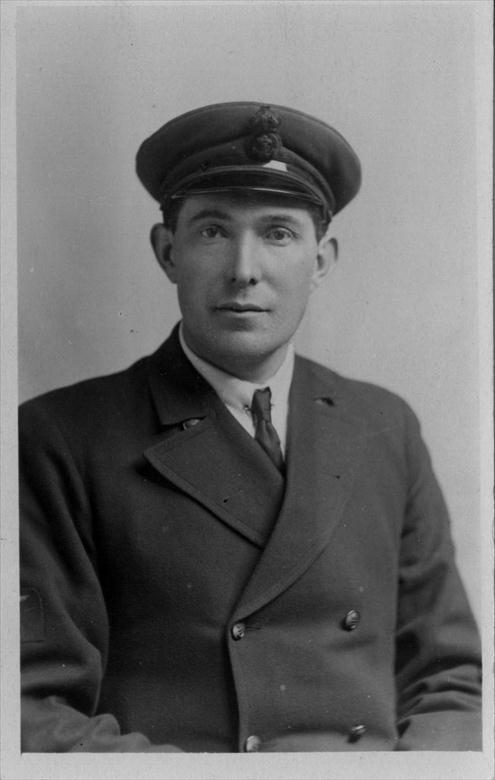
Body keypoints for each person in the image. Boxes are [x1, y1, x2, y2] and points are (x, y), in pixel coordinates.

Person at [19, 101, 481, 753]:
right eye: (213, 231)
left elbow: (449, 680)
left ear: (321, 261)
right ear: (168, 251)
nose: (243, 268)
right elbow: (28, 707)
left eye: (278, 233)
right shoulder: (58, 439)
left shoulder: (384, 427)